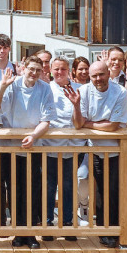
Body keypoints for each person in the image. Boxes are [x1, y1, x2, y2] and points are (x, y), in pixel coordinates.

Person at [0, 56, 55, 248]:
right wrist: (3, 86)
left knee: (32, 191)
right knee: (14, 190)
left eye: (38, 70)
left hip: (33, 146)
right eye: (31, 69)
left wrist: (33, 136)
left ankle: (30, 234)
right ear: (23, 68)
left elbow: (46, 121)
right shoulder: (12, 84)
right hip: (9, 147)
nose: (34, 73)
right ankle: (18, 233)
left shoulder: (45, 88)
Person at [80, 60, 127, 248]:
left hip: (118, 150)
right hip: (95, 149)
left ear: (109, 73)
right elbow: (78, 122)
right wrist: (98, 124)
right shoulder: (84, 91)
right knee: (101, 191)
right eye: (94, 76)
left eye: (101, 74)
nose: (98, 79)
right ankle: (104, 231)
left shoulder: (120, 92)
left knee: (116, 191)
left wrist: (88, 124)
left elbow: (113, 126)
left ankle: (116, 231)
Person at [45, 57, 86, 239]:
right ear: (51, 70)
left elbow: (81, 117)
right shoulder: (46, 88)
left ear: (69, 70)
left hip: (72, 146)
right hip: (49, 146)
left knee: (68, 187)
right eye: (56, 69)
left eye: (63, 69)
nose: (59, 72)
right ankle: (47, 223)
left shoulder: (79, 89)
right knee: (48, 187)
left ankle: (67, 223)